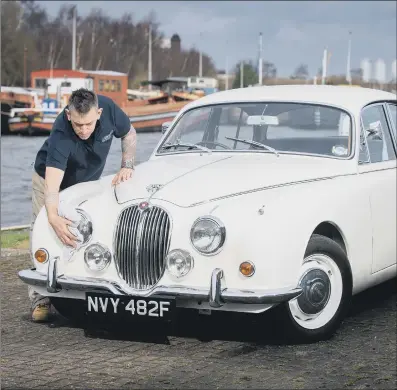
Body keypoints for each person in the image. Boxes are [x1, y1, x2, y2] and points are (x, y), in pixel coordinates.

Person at [29, 88, 137, 322]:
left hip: (86, 181)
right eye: (78, 125)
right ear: (69, 115)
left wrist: (127, 164)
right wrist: (53, 217)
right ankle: (41, 298)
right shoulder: (62, 133)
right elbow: (52, 185)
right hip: (49, 180)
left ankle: (86, 283)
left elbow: (129, 133)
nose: (84, 130)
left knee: (89, 229)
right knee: (45, 231)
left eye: (88, 124)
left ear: (98, 113)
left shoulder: (109, 109)